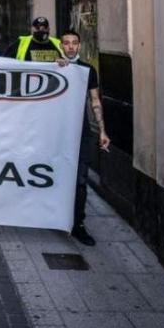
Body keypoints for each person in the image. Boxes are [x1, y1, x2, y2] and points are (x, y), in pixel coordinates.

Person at [58, 30, 110, 246]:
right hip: (57, 133)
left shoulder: (88, 70)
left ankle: (78, 224)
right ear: (61, 46)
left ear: (79, 46)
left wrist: (102, 130)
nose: (70, 47)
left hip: (81, 134)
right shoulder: (55, 67)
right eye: (66, 43)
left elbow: (95, 101)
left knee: (80, 181)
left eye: (74, 43)